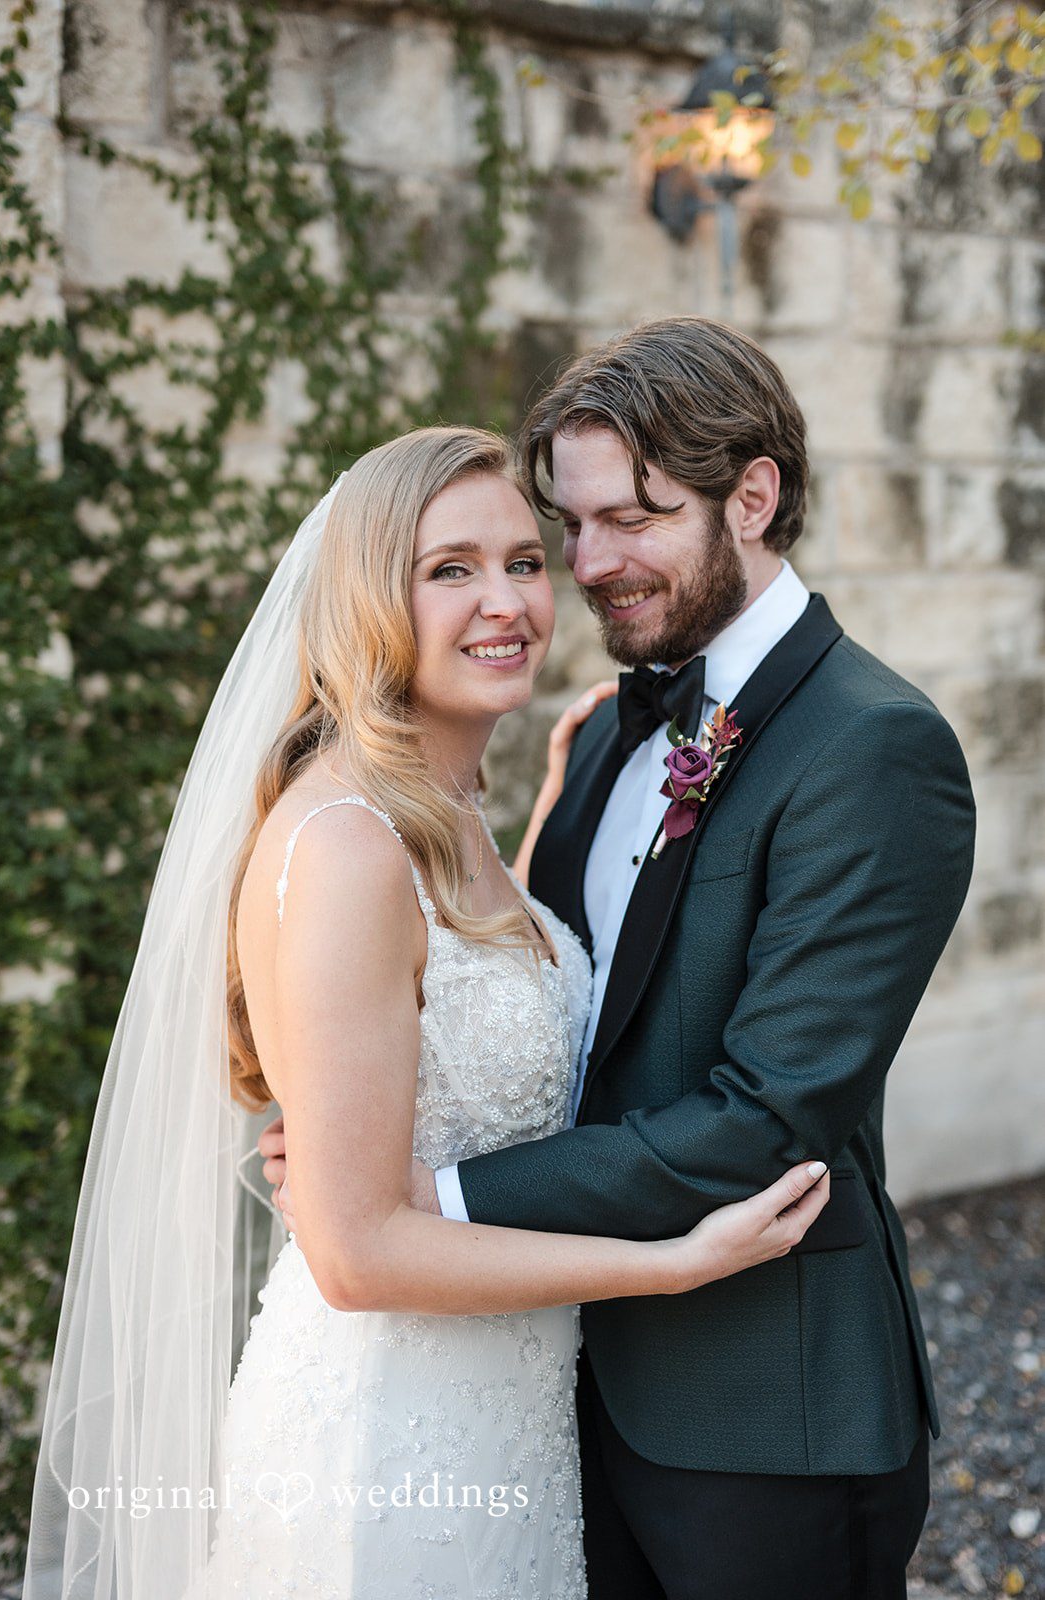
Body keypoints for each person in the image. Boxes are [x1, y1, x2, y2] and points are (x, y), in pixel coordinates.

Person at [22, 423, 830, 1600]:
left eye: (520, 560)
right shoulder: (348, 845)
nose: (503, 600)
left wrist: (550, 822)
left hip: (504, 1429)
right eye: (448, 568)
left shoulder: (441, 816)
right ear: (365, 602)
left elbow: (464, 1007)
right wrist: (670, 1263)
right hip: (388, 1457)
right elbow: (354, 1255)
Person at [262, 318, 979, 1600]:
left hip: (761, 1414)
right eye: (573, 526)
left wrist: (440, 1193)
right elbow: (547, 1012)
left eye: (630, 519)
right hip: (550, 1384)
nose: (589, 566)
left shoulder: (874, 749)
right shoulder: (601, 734)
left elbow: (769, 1112)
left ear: (750, 496)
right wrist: (352, 1132)